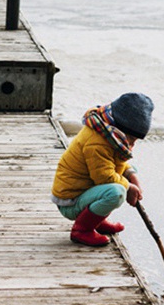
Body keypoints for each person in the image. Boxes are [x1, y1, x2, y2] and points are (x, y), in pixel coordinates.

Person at [51, 92, 154, 247]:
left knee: (131, 170)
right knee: (116, 192)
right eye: (131, 140)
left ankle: (96, 220)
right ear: (119, 128)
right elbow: (104, 177)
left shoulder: (107, 133)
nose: (132, 145)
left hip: (84, 192)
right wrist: (128, 187)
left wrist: (132, 177)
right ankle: (82, 229)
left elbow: (115, 163)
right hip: (70, 201)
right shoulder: (97, 143)